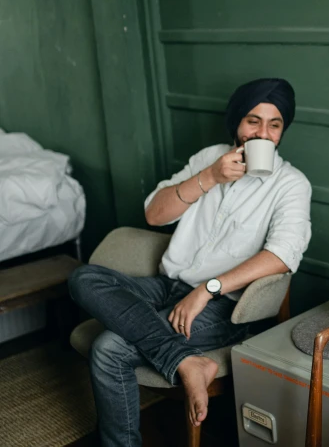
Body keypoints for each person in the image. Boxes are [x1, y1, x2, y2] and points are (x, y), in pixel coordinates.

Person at [68, 77, 312, 447]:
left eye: (274, 124)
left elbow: (281, 256)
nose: (262, 133)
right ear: (236, 124)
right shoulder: (208, 158)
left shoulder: (291, 184)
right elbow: (154, 214)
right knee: (83, 277)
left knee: (109, 347)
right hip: (167, 285)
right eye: (253, 121)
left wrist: (207, 289)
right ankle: (186, 361)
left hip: (224, 307)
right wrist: (210, 176)